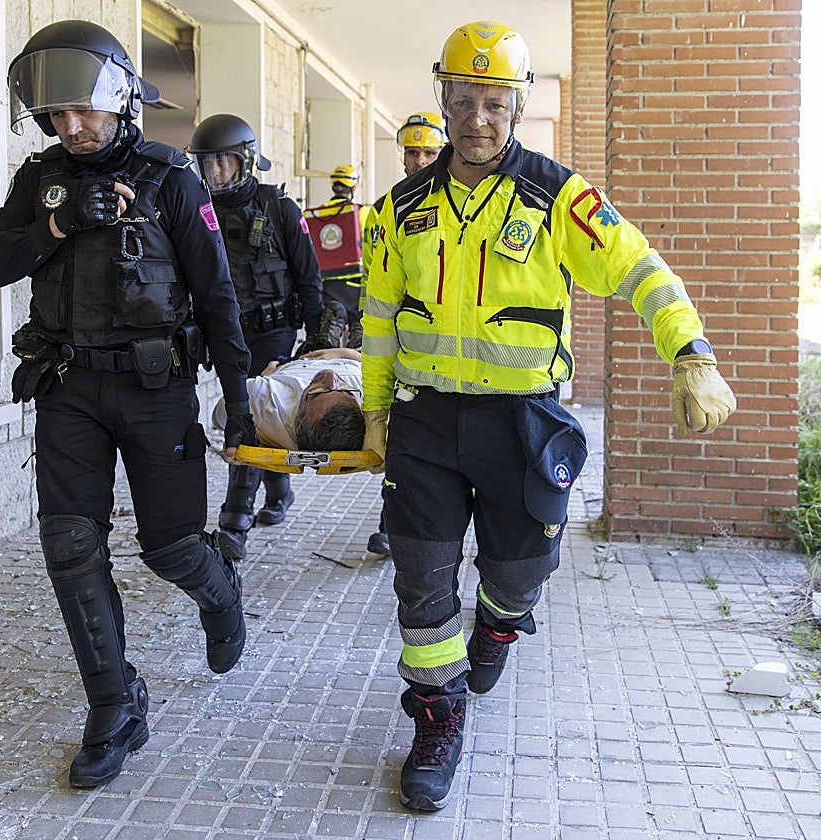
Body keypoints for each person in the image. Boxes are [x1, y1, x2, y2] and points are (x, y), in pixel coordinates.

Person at [361, 21, 737, 813]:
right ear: (444, 100)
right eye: (464, 101)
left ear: (517, 107)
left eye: (495, 103)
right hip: (425, 423)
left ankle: (501, 623)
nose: (477, 119)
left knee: (516, 576)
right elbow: (378, 319)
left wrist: (691, 353)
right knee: (422, 583)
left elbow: (640, 267)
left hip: (522, 425)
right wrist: (371, 415)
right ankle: (436, 719)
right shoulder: (398, 210)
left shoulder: (560, 196)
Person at [0, 20, 258, 790]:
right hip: (69, 390)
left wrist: (240, 399)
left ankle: (220, 588)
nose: (72, 127)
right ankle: (113, 703)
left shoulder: (172, 179)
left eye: (83, 110)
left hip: (155, 390)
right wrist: (62, 222)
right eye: (56, 115)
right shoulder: (41, 182)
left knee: (169, 549)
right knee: (69, 547)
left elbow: (218, 296)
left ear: (121, 99)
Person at [186, 115, 335, 561]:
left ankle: (234, 523)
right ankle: (280, 489)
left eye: (223, 164)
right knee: (255, 413)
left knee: (250, 413)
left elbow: (310, 280)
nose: (214, 174)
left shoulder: (279, 209)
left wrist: (317, 340)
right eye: (207, 165)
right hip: (227, 334)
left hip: (274, 330)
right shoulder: (197, 212)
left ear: (246, 162)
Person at [359, 111, 449, 558]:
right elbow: (372, 280)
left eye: (428, 152)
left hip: (440, 347)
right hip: (396, 340)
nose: (418, 161)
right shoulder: (386, 210)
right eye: (412, 152)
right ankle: (390, 524)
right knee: (396, 436)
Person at [211, 349, 365, 453]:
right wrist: (343, 352)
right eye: (346, 391)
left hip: (296, 362)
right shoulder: (367, 400)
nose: (332, 377)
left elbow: (219, 418)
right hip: (349, 358)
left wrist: (267, 377)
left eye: (318, 392)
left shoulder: (264, 399)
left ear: (298, 422)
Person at [304, 164, 373, 346]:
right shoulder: (361, 211)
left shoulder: (314, 214)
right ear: (353, 187)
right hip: (354, 284)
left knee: (331, 330)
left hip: (325, 285)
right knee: (357, 334)